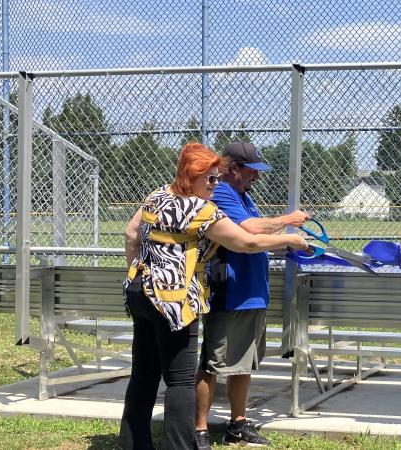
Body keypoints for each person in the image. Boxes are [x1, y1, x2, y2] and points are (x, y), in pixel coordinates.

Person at [119, 142, 308, 450]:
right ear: (191, 175)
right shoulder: (201, 209)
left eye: (217, 178)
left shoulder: (156, 196)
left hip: (141, 292)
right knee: (180, 382)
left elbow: (130, 233)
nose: (215, 184)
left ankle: (132, 444)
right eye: (210, 178)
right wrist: (290, 237)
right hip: (175, 302)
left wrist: (139, 272)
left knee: (143, 376)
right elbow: (244, 242)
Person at [194, 141, 309, 448]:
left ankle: (237, 424)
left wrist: (291, 245)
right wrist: (288, 222)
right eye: (251, 171)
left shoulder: (244, 195)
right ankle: (200, 430)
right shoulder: (220, 193)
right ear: (232, 169)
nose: (256, 177)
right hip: (231, 293)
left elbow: (260, 235)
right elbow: (250, 229)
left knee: (243, 364)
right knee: (212, 364)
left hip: (253, 294)